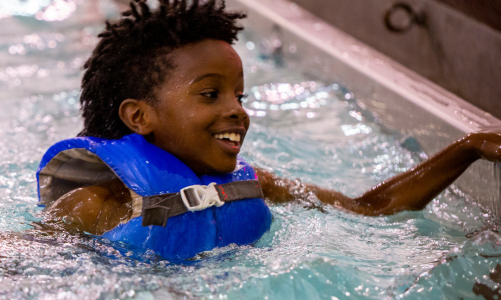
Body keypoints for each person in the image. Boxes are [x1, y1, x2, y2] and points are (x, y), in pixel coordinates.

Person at [36, 0, 501, 260]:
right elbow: (6, 261)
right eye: (210, 94)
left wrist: (469, 147)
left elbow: (370, 208)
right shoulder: (97, 205)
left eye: (241, 96)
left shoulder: (254, 185)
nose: (238, 111)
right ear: (139, 117)